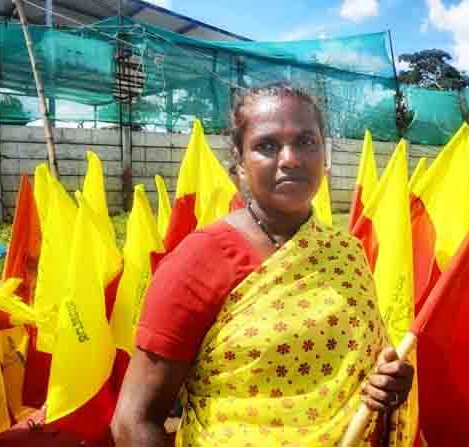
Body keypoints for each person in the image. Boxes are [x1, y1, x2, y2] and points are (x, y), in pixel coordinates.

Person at [111, 84, 415, 447]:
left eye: (306, 142)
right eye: (267, 145)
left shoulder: (347, 252)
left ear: (323, 153)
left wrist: (388, 385)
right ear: (239, 164)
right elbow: (134, 421)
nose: (290, 159)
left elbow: (359, 367)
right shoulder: (197, 261)